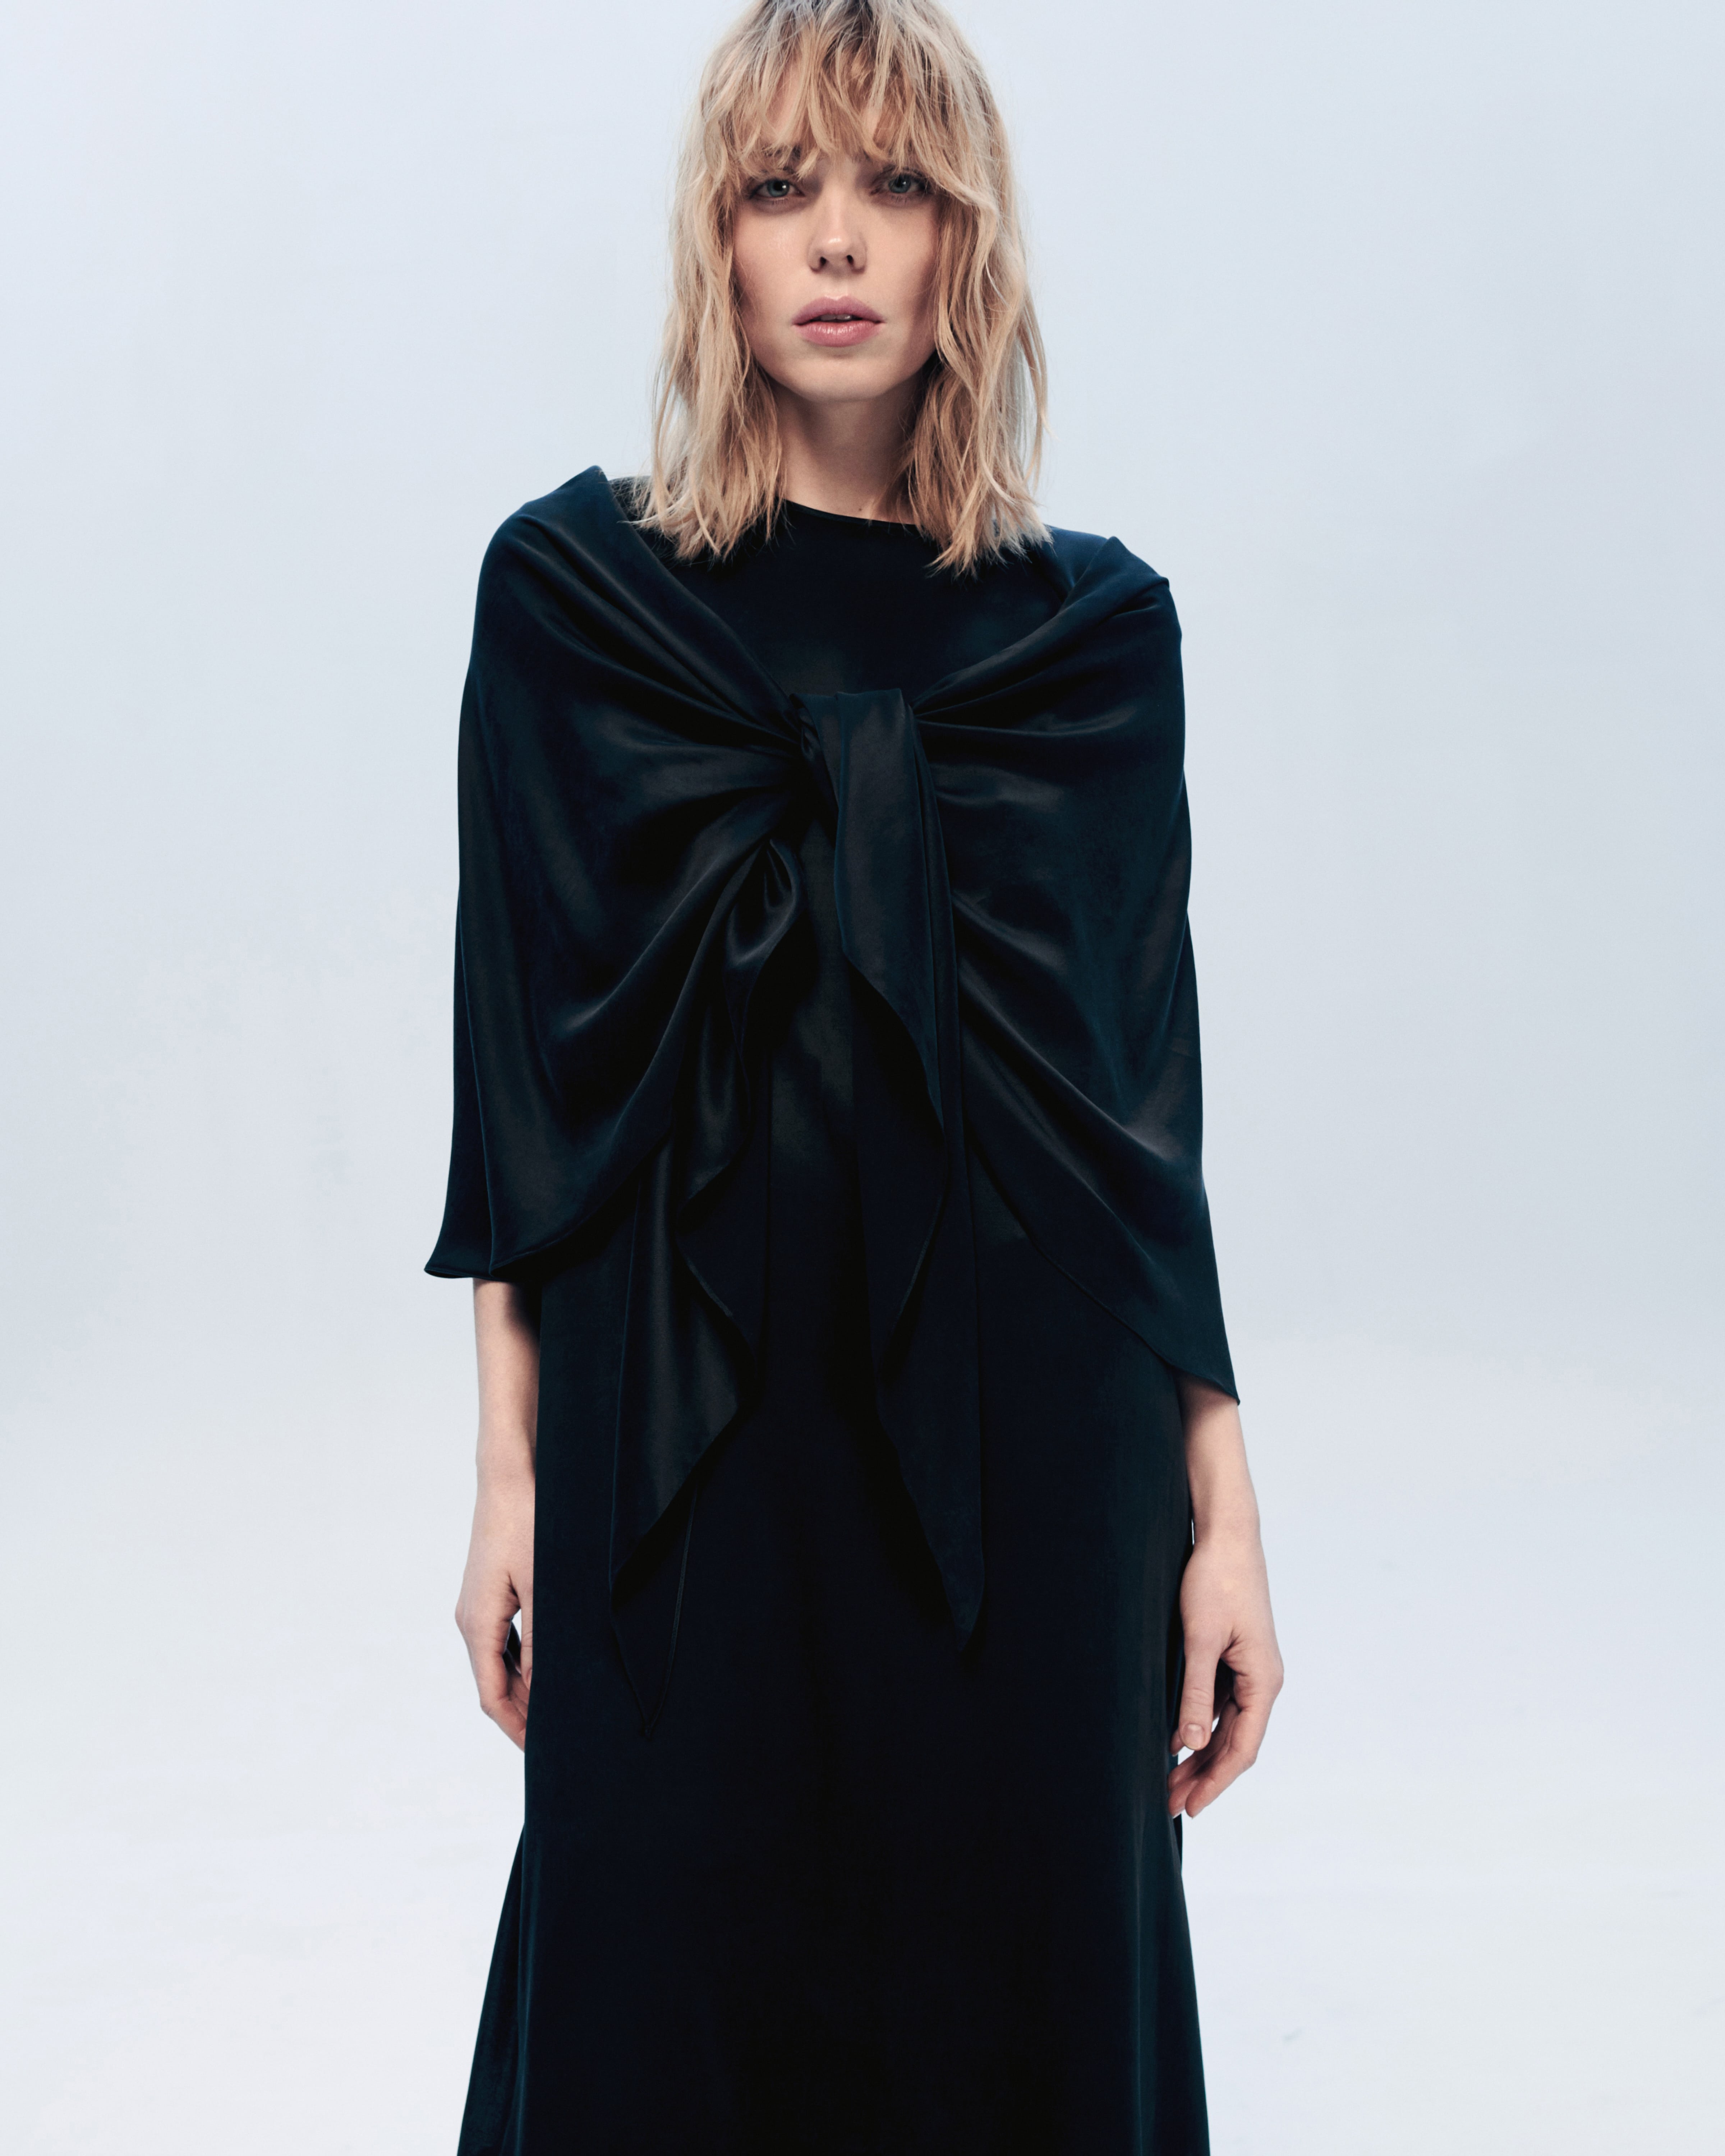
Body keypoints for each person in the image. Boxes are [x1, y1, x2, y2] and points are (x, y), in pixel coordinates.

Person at [430, 2, 1283, 2148]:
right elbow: (525, 1086)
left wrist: (1226, 1514)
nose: (837, 239)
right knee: (659, 1975)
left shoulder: (1097, 641)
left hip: (1037, 1451)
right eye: (779, 186)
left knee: (1020, 1981)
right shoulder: (573, 607)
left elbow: (1144, 1111)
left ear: (964, 239)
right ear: (715, 243)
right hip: (680, 1441)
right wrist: (508, 1478)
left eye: (896, 185)